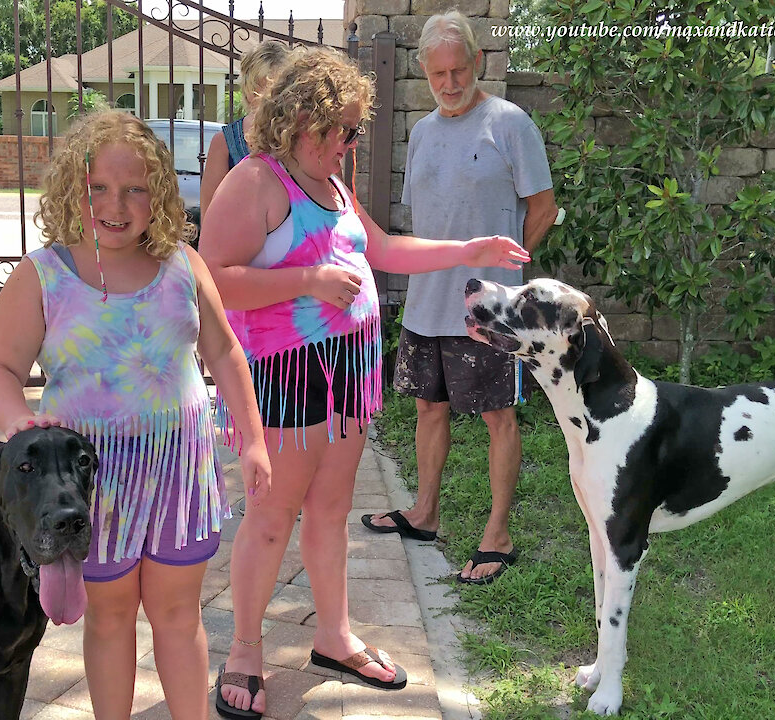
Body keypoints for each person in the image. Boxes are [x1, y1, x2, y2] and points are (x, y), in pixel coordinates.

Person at [200, 45, 530, 719]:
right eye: (341, 130)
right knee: (270, 519)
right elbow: (212, 277)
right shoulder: (258, 181)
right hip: (286, 374)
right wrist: (307, 280)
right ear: (300, 120)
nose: (350, 143)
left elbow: (382, 249)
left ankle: (334, 636)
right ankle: (244, 651)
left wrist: (469, 249)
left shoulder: (335, 185)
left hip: (348, 372)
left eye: (354, 130)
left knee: (328, 512)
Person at [0, 111, 271, 720]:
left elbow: (224, 350)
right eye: (98, 188)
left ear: (159, 193)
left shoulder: (183, 266)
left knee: (177, 615)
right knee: (108, 619)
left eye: (135, 187)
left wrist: (254, 440)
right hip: (90, 488)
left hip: (177, 477)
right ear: (70, 190)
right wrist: (15, 424)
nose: (116, 204)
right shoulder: (43, 276)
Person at [360, 11, 558, 585]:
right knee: (428, 407)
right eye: (438, 73)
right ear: (424, 70)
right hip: (427, 299)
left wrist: (506, 271)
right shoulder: (420, 132)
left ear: (476, 61)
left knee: (499, 415)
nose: (449, 83)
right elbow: (425, 217)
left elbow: (542, 208)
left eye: (458, 69)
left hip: (490, 309)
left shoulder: (509, 123)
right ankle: (424, 513)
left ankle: (498, 534)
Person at [200, 39, 290, 217]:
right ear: (248, 90)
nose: (269, 98)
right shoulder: (225, 142)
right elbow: (209, 215)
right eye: (260, 88)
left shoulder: (307, 137)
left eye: (277, 90)